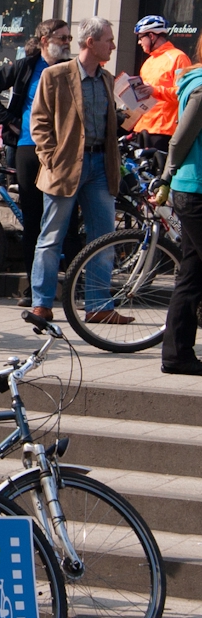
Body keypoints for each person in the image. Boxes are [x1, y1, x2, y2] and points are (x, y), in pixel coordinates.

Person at [28, 16, 132, 325]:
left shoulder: (107, 79)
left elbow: (112, 125)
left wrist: (137, 110)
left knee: (103, 236)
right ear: (91, 42)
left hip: (101, 165)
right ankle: (42, 303)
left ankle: (99, 305)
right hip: (66, 166)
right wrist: (52, 158)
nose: (113, 45)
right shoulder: (56, 75)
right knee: (51, 237)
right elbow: (40, 123)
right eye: (109, 40)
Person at [0, 19, 72, 305]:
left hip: (63, 152)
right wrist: (8, 120)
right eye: (62, 38)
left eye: (69, 38)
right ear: (45, 40)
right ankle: (34, 288)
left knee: (66, 217)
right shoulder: (25, 67)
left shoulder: (71, 70)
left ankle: (71, 284)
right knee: (33, 220)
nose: (68, 43)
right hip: (29, 147)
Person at [154, 34, 202, 375]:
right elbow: (181, 138)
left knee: (192, 272)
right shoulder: (200, 87)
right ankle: (176, 353)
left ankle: (177, 354)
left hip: (192, 188)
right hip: (196, 189)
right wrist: (167, 178)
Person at [133, 15, 191, 151]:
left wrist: (155, 90)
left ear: (151, 36)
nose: (139, 42)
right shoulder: (148, 62)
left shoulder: (178, 57)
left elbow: (184, 94)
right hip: (142, 128)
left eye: (141, 37)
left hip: (164, 130)